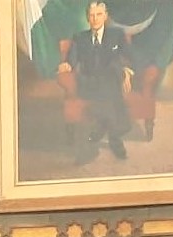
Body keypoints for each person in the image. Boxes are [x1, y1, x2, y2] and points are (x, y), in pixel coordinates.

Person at [59, 1, 133, 160]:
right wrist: (67, 64)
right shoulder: (80, 38)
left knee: (110, 80)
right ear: (87, 18)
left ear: (105, 16)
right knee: (108, 90)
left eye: (99, 14)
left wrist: (125, 70)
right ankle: (114, 137)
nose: (95, 19)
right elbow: (72, 58)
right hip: (89, 82)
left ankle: (102, 132)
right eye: (91, 15)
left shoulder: (117, 34)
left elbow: (127, 56)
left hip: (111, 80)